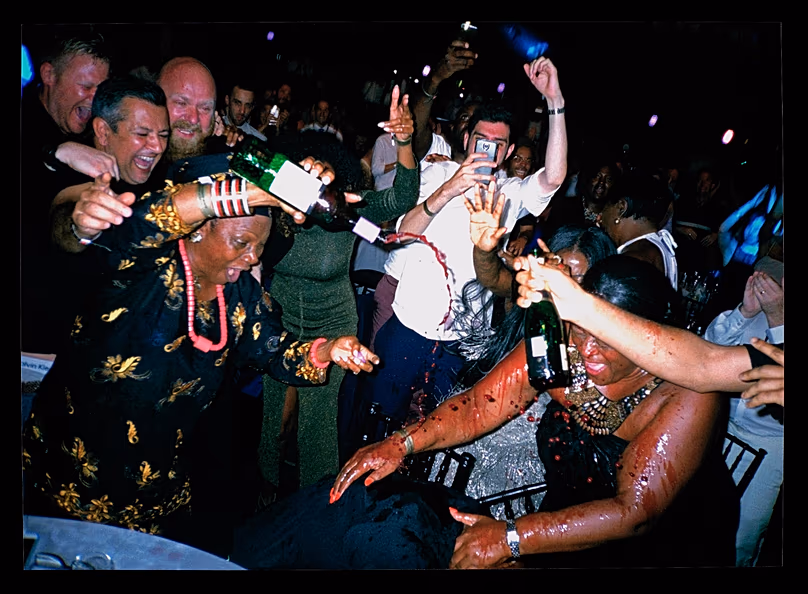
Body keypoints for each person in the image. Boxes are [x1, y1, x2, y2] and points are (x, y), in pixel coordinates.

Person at [22, 161, 379, 544]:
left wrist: (329, 349)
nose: (253, 258)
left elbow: (278, 350)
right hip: (66, 482)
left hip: (154, 495)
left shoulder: (239, 296)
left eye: (259, 246)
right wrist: (251, 192)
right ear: (197, 229)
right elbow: (146, 219)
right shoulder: (141, 266)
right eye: (241, 243)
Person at [324, 256, 739, 568]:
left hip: (663, 545)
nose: (587, 350)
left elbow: (634, 514)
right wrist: (402, 443)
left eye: (608, 340)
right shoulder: (560, 349)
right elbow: (475, 408)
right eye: (578, 328)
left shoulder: (690, 392)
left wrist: (511, 538)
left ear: (647, 338)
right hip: (563, 527)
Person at [354, 56, 567, 441]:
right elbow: (400, 235)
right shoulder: (434, 171)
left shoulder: (509, 193)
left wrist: (554, 100)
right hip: (409, 328)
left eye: (498, 145)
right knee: (376, 427)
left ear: (507, 151)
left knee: (432, 437)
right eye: (482, 140)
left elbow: (554, 176)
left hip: (461, 342)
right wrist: (449, 189)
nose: (488, 150)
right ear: (468, 139)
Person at [258, 86, 419, 492]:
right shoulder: (277, 202)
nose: (320, 181)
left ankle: (317, 504)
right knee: (275, 420)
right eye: (311, 172)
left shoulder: (349, 202)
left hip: (333, 317)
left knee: (317, 423)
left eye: (328, 174)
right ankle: (264, 495)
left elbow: (403, 195)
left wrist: (403, 142)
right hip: (281, 314)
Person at [511, 252, 784, 402]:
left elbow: (703, 366)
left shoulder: (682, 400)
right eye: (583, 333)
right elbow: (709, 356)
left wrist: (581, 307)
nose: (589, 348)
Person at [21, 33, 112, 353]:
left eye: (100, 90)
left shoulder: (92, 133)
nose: (93, 99)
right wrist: (54, 152)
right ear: (48, 75)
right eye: (86, 87)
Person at [703, 256, 783, 566]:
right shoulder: (764, 306)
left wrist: (779, 319)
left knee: (740, 539)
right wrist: (745, 311)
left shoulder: (777, 310)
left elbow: (780, 403)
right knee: (700, 520)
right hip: (721, 428)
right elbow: (709, 349)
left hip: (771, 445)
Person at [596, 171, 678, 290]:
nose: (600, 216)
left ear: (621, 208)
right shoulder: (658, 246)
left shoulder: (632, 260)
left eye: (605, 207)